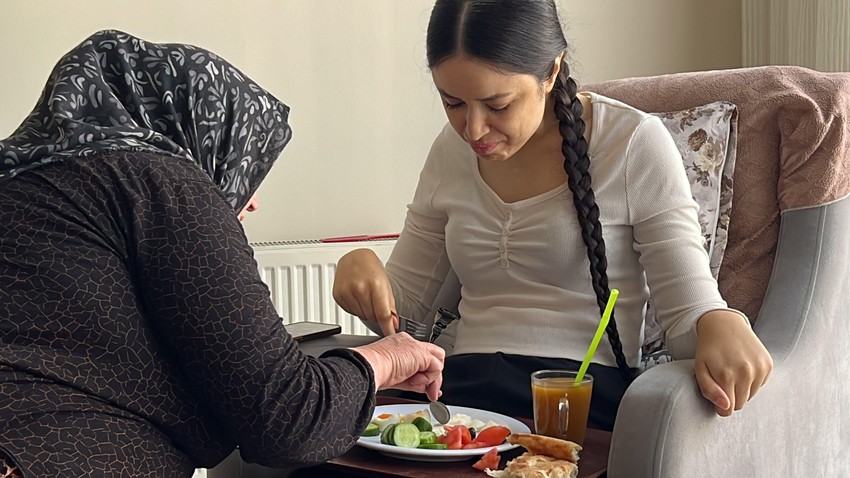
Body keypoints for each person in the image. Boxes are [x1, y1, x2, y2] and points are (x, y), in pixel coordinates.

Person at [0, 30, 444, 478]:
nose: (251, 200)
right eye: (249, 163)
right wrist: (384, 360)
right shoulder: (162, 183)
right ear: (207, 133)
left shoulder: (26, 184)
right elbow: (290, 422)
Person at [332, 0, 772, 431]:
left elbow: (687, 316)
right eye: (453, 103)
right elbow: (408, 315)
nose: (473, 129)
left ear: (552, 72)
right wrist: (362, 270)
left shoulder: (632, 144)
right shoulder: (450, 153)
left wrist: (720, 322)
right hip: (463, 400)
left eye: (498, 105)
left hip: (576, 402)